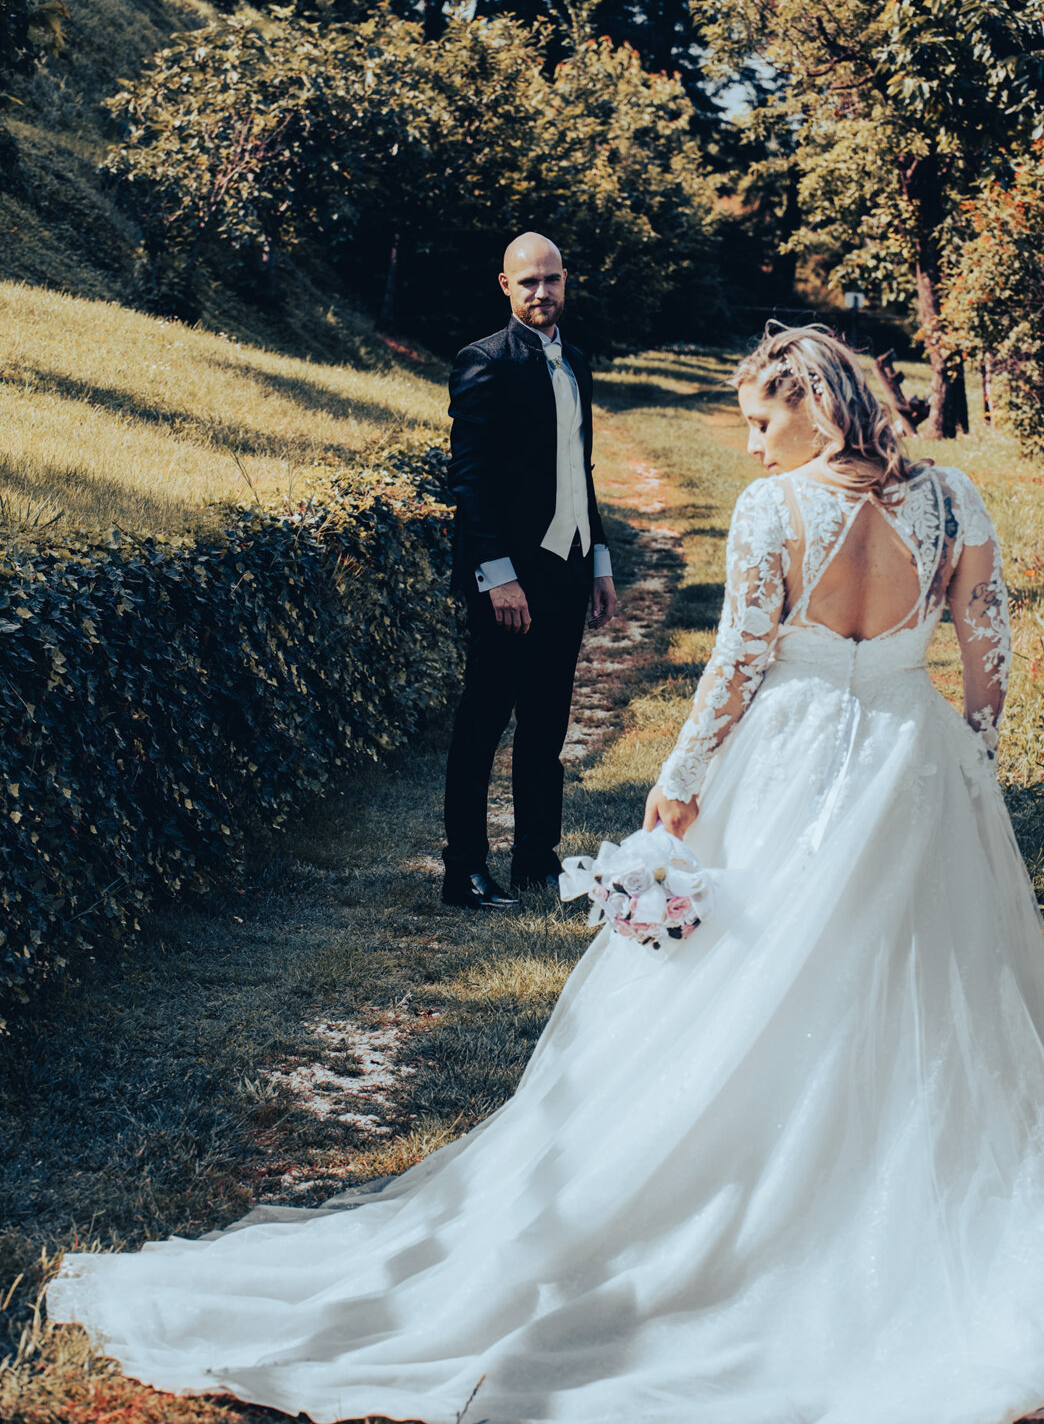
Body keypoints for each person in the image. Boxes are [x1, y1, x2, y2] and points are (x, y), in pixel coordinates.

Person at [47, 324, 1044, 1424]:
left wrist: (680, 781)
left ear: (812, 404)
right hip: (914, 760)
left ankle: (754, 1187)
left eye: (762, 421)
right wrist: (971, 758)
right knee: (917, 976)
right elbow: (986, 641)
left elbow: (738, 660)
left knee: (747, 982)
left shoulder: (775, 510)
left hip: (790, 758)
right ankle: (879, 1191)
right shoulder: (954, 498)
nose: (755, 446)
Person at [441, 231, 616, 910]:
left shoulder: (577, 362)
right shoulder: (484, 361)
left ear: (565, 280)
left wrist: (599, 560)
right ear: (505, 286)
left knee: (546, 727)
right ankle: (464, 871)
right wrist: (497, 574)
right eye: (529, 282)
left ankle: (536, 863)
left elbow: (579, 470)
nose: (542, 292)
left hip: (568, 568)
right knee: (483, 723)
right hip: (507, 581)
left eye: (552, 279)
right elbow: (469, 479)